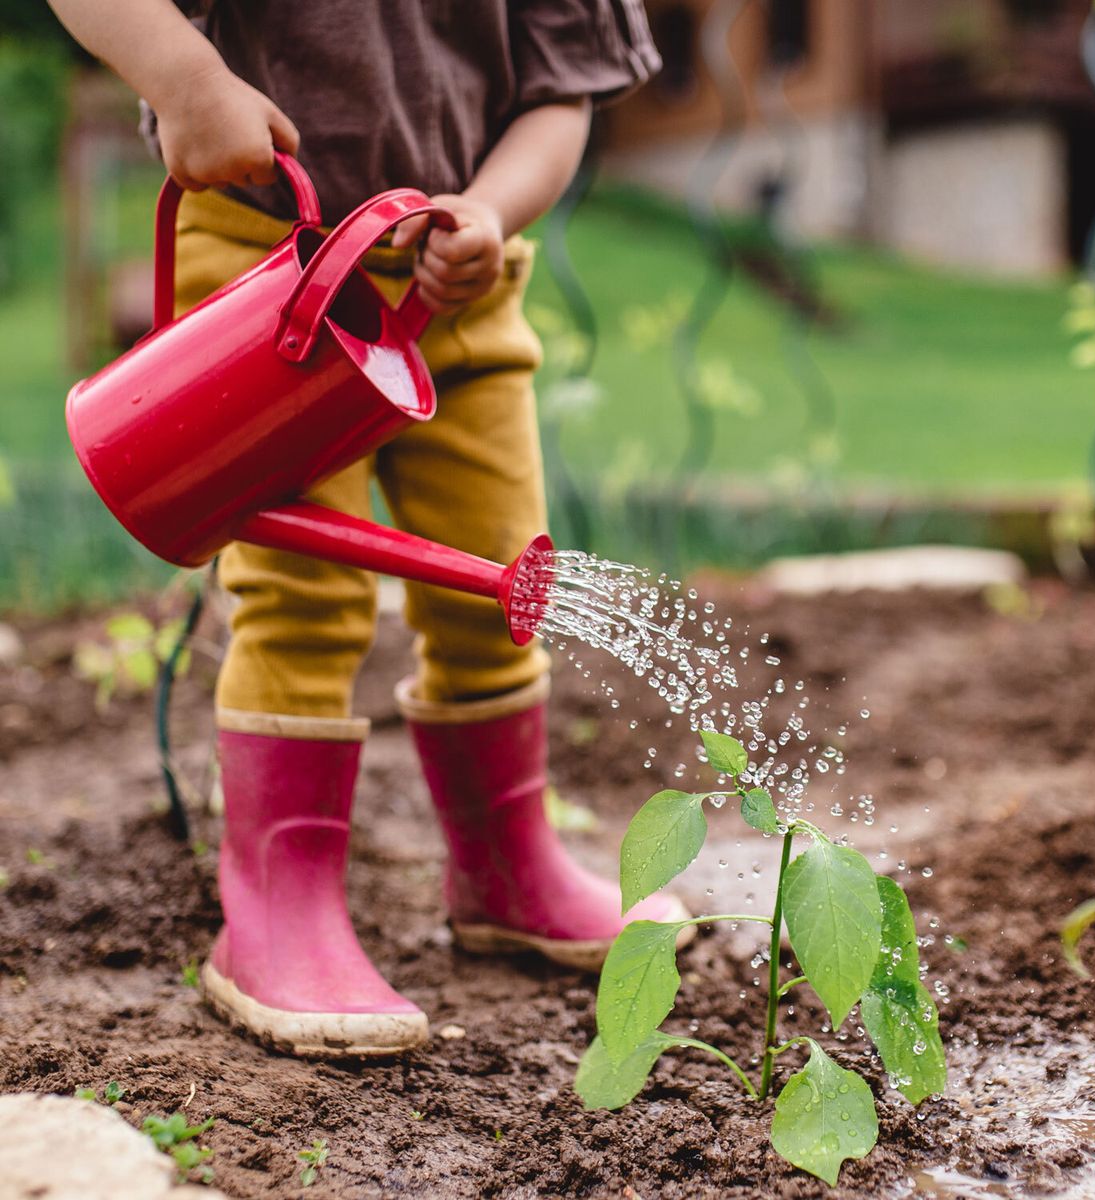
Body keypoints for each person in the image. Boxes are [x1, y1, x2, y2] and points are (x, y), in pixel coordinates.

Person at [49, 0, 692, 1058]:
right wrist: (187, 80)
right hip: (269, 273)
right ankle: (278, 907)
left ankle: (507, 863)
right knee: (305, 599)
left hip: (461, 291)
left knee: (499, 580)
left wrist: (489, 211)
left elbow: (559, 96)